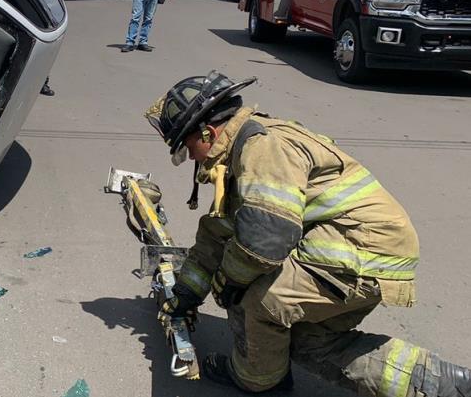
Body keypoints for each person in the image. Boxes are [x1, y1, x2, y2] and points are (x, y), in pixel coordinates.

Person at [144, 71, 470, 396]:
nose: (193, 160)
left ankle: (258, 382)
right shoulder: (246, 147)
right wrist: (187, 292)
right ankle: (439, 382)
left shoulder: (262, 148)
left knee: (258, 298)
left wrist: (228, 281)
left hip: (358, 250)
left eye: (188, 150)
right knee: (305, 342)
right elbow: (219, 230)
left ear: (207, 132)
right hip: (371, 249)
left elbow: (265, 240)